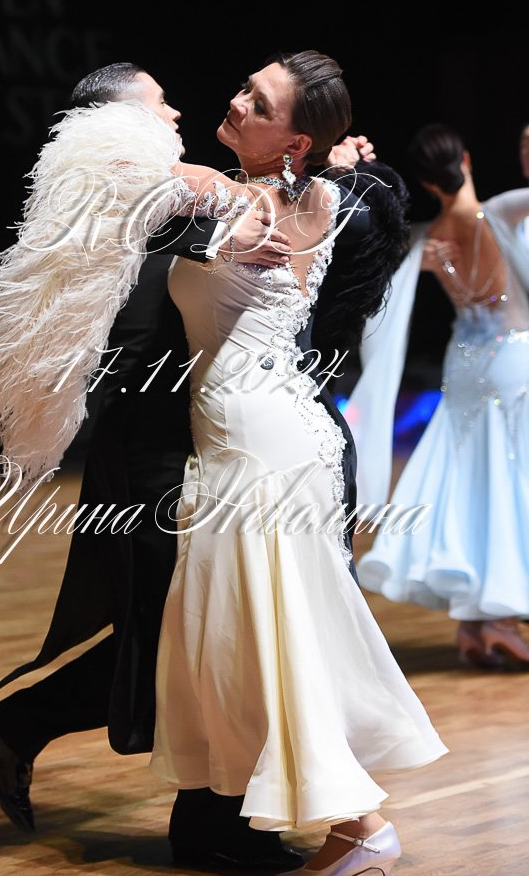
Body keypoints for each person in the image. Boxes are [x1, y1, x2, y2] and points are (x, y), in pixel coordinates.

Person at [0, 61, 346, 870]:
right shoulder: (126, 189)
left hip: (222, 438)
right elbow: (157, 222)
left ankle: (184, 802)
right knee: (192, 626)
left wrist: (318, 178)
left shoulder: (214, 191)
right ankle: (208, 820)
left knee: (197, 624)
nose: (178, 112)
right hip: (155, 448)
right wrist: (231, 215)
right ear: (111, 127)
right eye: (157, 104)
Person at [144, 52, 447, 875]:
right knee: (278, 639)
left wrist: (136, 114)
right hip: (279, 435)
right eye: (245, 87)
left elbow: (131, 175)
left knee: (269, 641)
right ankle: (351, 826)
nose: (236, 100)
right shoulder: (318, 197)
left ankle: (362, 824)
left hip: (257, 444)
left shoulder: (238, 197)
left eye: (259, 100)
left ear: (295, 140)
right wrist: (340, 164)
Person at [350, 124, 529, 669]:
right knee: (509, 483)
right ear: (467, 161)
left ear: (428, 183)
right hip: (513, 359)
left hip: (464, 363)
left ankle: (475, 624)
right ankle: (497, 618)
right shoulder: (499, 213)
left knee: (472, 481)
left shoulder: (429, 238)